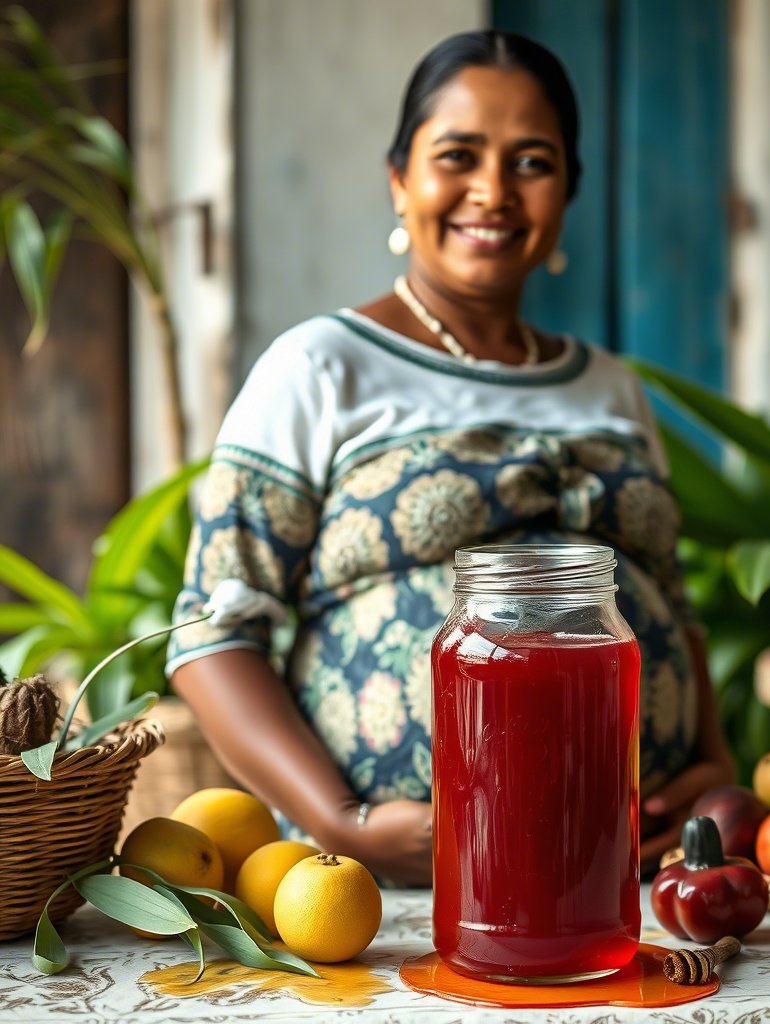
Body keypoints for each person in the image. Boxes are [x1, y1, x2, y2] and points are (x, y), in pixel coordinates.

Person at [167, 30, 734, 886]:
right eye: (458, 154)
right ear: (400, 179)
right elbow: (213, 633)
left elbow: (674, 608)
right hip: (385, 891)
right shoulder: (319, 366)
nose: (493, 191)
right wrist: (341, 820)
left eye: (532, 161)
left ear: (569, 190)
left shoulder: (610, 388)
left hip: (623, 877)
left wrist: (713, 766)